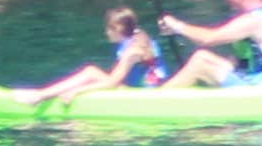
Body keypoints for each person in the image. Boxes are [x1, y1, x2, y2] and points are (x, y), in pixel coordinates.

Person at [23, 7, 166, 96]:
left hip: (142, 95)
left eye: (109, 28)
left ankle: (40, 96)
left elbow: (111, 83)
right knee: (92, 73)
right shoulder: (141, 36)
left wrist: (77, 91)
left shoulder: (132, 52)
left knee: (90, 72)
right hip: (151, 89)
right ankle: (44, 93)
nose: (106, 32)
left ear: (118, 29)